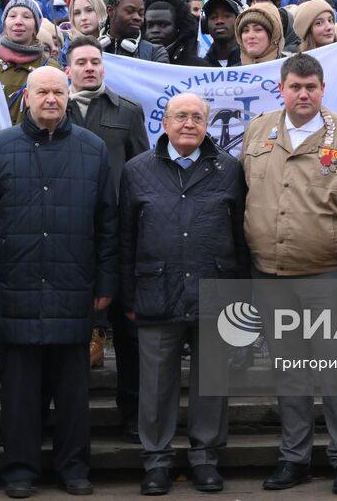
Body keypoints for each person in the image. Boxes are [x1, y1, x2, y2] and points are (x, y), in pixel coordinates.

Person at [0, 67, 117, 498]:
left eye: (57, 91)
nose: (50, 98)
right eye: (42, 92)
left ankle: (73, 469)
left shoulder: (93, 149)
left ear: (68, 96)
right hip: (15, 287)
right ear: (26, 98)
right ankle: (19, 470)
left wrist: (105, 284)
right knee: (19, 393)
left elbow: (108, 225)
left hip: (74, 288)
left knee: (72, 394)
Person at [240, 54, 337, 494]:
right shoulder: (259, 130)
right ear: (281, 88)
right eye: (295, 87)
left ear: (323, 89)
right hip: (269, 275)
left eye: (311, 88)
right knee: (288, 370)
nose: (303, 95)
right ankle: (294, 457)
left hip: (327, 276)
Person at [118, 93, 249, 495]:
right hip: (155, 289)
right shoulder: (136, 170)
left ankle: (205, 459)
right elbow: (125, 237)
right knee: (155, 385)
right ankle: (156, 461)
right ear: (165, 123)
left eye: (196, 117)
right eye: (181, 116)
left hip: (216, 289)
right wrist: (127, 297)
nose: (189, 123)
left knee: (212, 381)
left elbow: (243, 236)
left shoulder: (229, 169)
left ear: (207, 124)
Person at [64, 38, 148, 431]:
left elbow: (142, 174)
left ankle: (132, 414)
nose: (89, 68)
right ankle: (69, 418)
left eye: (95, 62)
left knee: (129, 333)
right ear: (68, 69)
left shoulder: (127, 112)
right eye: (80, 62)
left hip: (119, 238)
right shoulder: (51, 107)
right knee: (71, 334)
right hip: (68, 239)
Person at [0, 0, 64, 124]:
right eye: (12, 16)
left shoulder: (50, 67)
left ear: (36, 27)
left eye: (26, 16)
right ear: (5, 23)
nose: (18, 22)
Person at [143, 0, 203, 66]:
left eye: (163, 25)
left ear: (177, 27)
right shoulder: (133, 58)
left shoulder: (196, 65)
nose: (155, 30)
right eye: (150, 25)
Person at [201, 0, 243, 67]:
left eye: (227, 16)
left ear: (239, 22)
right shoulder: (198, 67)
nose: (219, 21)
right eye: (213, 17)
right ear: (205, 25)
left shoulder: (253, 63)